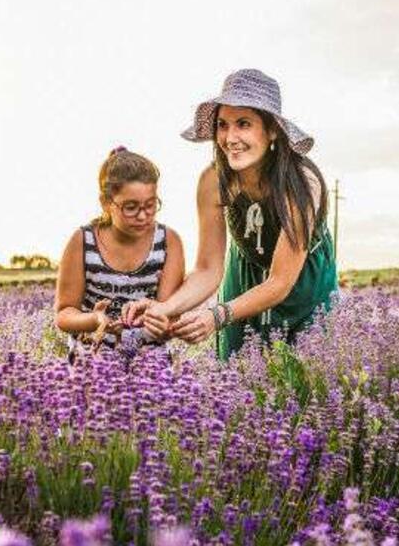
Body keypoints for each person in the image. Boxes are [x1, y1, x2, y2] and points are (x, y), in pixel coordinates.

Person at [123, 69, 338, 362]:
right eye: (223, 125)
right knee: (238, 372)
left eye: (244, 124)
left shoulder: (301, 183)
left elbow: (280, 282)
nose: (230, 137)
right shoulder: (213, 181)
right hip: (245, 268)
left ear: (272, 130)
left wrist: (217, 315)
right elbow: (208, 268)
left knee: (305, 375)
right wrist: (166, 307)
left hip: (302, 277)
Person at [54, 147, 185, 361]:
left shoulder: (169, 241)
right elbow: (64, 314)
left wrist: (160, 320)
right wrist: (95, 319)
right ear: (106, 203)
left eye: (151, 205)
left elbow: (170, 312)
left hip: (152, 370)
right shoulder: (82, 241)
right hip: (92, 367)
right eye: (131, 207)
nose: (143, 215)